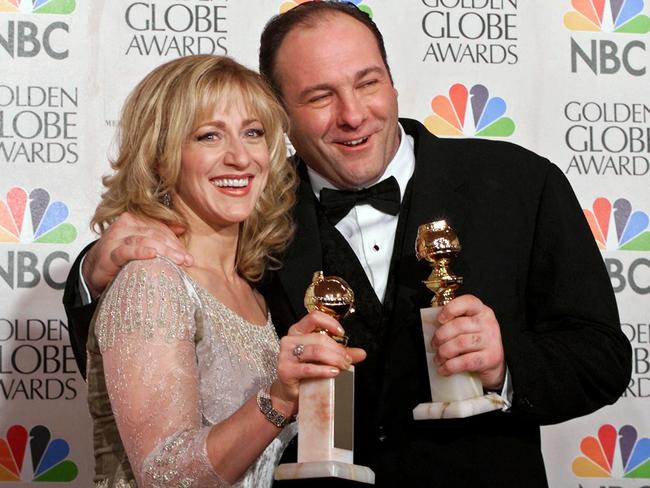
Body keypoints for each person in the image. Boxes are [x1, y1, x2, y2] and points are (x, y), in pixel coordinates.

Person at [64, 3, 632, 487]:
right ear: (282, 113)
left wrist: (505, 362)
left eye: (367, 82)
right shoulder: (248, 208)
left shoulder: (518, 182)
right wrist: (94, 270)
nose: (353, 115)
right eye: (319, 96)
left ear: (391, 79)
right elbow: (149, 369)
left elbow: (602, 359)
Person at [78, 54, 365, 487]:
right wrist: (280, 398)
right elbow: (165, 477)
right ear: (160, 156)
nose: (240, 157)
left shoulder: (254, 290)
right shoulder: (152, 281)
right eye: (209, 136)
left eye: (253, 133)